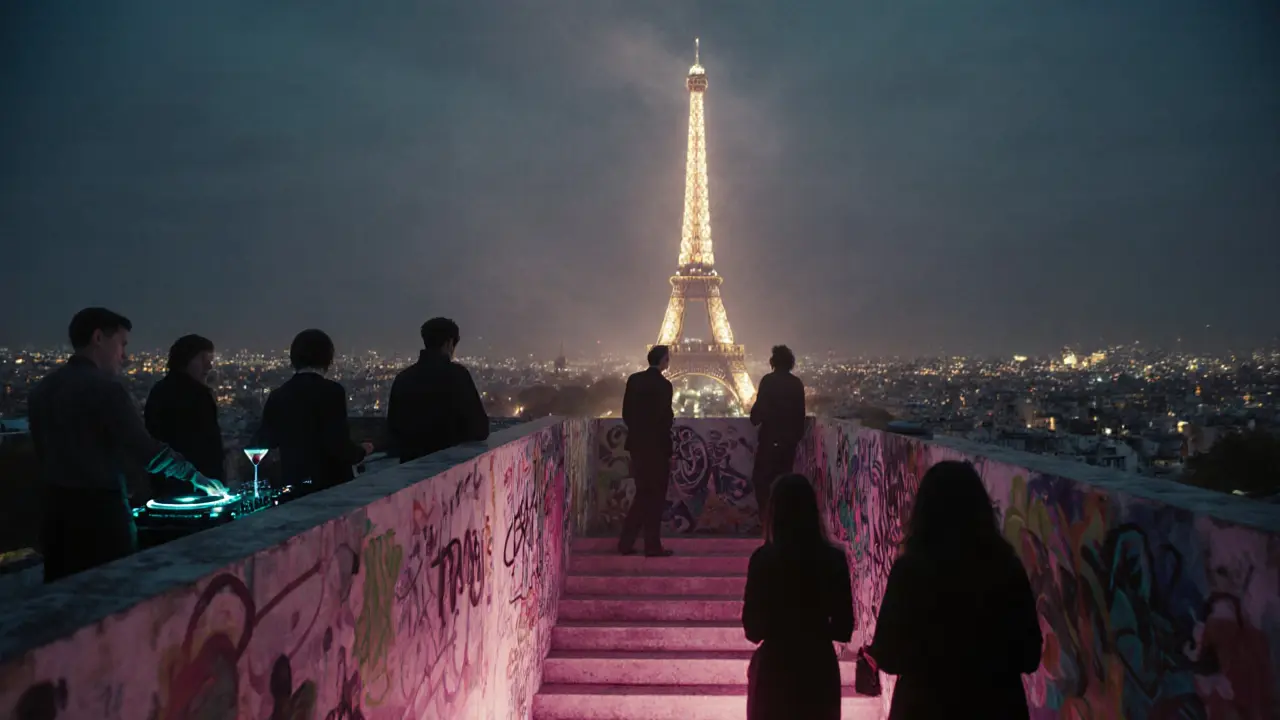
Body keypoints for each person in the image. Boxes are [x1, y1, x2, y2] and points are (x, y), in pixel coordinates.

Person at [29, 308, 227, 583]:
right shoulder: (106, 389)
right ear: (99, 338)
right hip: (101, 518)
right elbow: (146, 451)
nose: (125, 355)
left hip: (55, 517)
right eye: (121, 344)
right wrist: (196, 477)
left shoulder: (42, 390)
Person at [869, 461, 1042, 720]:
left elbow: (888, 655)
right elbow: (1029, 655)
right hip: (997, 706)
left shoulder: (909, 571)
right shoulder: (1005, 567)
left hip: (923, 707)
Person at [742, 473, 853, 720]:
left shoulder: (763, 559)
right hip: (818, 668)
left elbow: (752, 629)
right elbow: (844, 628)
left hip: (774, 669)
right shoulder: (833, 560)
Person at [251, 329, 372, 493]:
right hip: (330, 485)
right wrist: (362, 451)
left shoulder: (278, 395)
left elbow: (267, 440)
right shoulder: (332, 392)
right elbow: (338, 444)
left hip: (293, 484)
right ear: (328, 358)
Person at [387, 317, 489, 463]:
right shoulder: (457, 375)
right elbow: (480, 428)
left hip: (410, 467)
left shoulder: (403, 378)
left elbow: (393, 430)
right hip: (449, 467)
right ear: (449, 343)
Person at [145, 334, 224, 497]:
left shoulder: (159, 391)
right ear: (186, 360)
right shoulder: (198, 395)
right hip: (201, 485)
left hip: (166, 484)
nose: (209, 366)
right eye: (203, 359)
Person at [617, 345, 675, 557]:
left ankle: (627, 542)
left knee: (643, 494)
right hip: (657, 448)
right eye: (668, 359)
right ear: (663, 361)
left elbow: (626, 413)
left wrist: (638, 432)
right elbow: (665, 420)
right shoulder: (664, 385)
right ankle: (651, 545)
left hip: (638, 446)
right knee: (655, 498)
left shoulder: (634, 380)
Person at [749, 344, 806, 528]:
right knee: (784, 485)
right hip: (788, 445)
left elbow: (756, 415)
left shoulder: (768, 381)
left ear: (772, 362)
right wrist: (793, 438)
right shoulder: (796, 384)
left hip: (768, 442)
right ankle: (782, 525)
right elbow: (800, 416)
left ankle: (766, 522)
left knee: (762, 481)